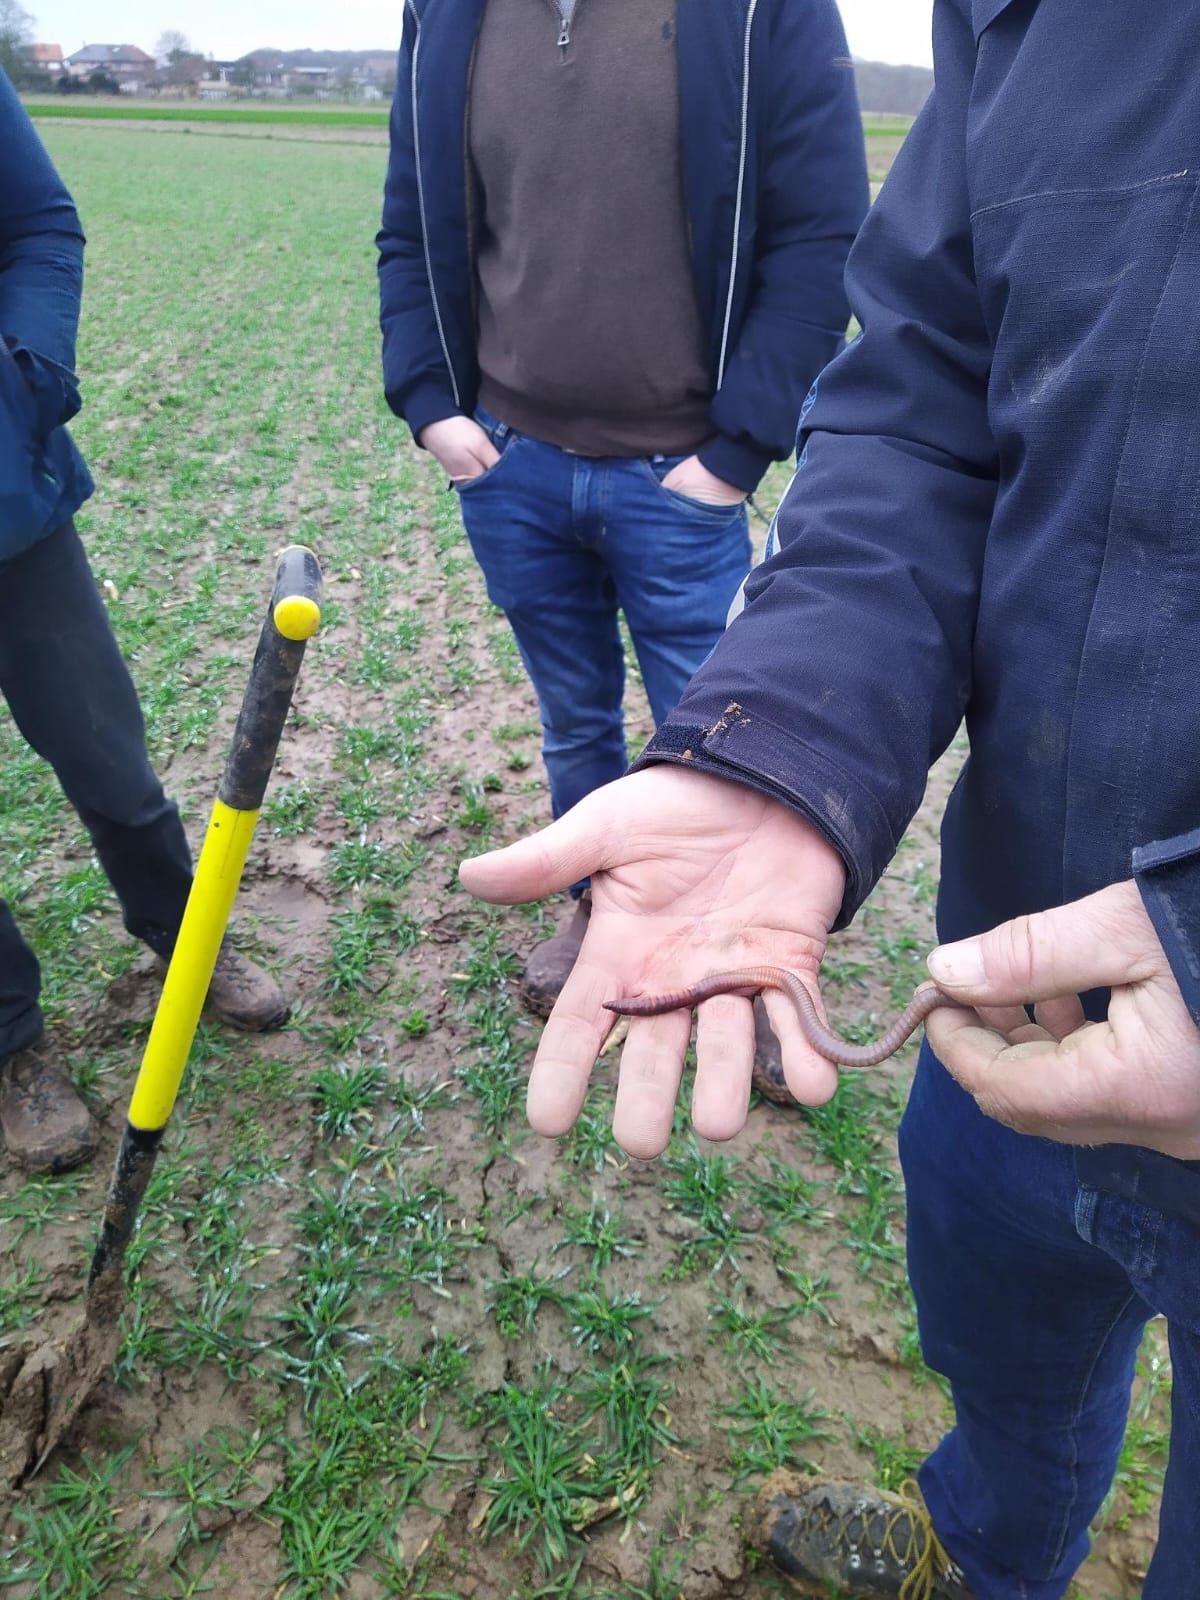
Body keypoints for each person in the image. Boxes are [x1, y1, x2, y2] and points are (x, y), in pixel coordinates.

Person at [459, 2, 1200, 1595]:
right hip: (1020, 990)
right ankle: (984, 1549)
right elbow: (929, 402)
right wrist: (775, 745)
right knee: (1002, 1359)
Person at [376, 0, 868, 1073]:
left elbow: (824, 228)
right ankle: (599, 912)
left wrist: (738, 449)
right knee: (574, 724)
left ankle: (746, 962)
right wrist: (431, 402)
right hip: (509, 463)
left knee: (733, 738)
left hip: (681, 476)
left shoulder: (758, 12)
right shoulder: (446, 12)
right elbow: (409, 223)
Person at [0, 75, 288, 1178]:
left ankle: (184, 943)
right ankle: (12, 1045)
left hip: (10, 512)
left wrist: (26, 378)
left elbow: (33, 219)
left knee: (109, 756)